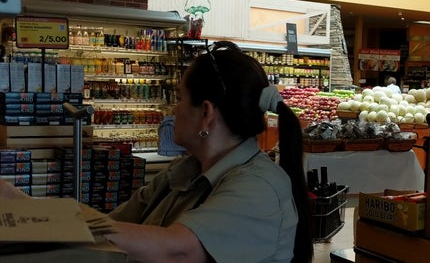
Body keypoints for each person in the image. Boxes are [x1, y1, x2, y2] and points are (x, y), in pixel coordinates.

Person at [0, 41, 314, 263]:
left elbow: (176, 250)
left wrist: (35, 220)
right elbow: (110, 225)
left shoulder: (259, 188)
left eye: (179, 97)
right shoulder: (185, 172)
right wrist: (23, 205)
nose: (173, 108)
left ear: (206, 113)